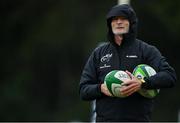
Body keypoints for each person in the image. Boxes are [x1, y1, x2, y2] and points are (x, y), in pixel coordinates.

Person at [79, 4, 177, 122]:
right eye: (114, 19)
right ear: (110, 24)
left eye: (123, 18)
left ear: (131, 23)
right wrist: (100, 88)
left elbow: (170, 76)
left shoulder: (146, 50)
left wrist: (142, 83)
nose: (118, 22)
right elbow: (83, 90)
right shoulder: (99, 53)